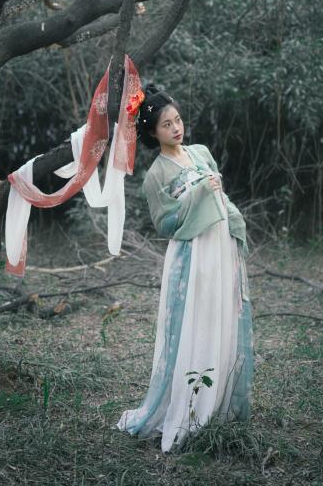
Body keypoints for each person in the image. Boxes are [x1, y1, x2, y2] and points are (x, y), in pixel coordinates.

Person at [117, 84, 254, 453]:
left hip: (219, 244)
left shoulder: (200, 153)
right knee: (197, 322)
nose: (176, 128)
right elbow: (165, 224)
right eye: (166, 124)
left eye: (177, 120)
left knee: (221, 319)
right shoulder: (155, 176)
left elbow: (221, 197)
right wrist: (198, 193)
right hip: (192, 253)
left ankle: (219, 403)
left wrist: (232, 224)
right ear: (152, 133)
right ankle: (192, 406)